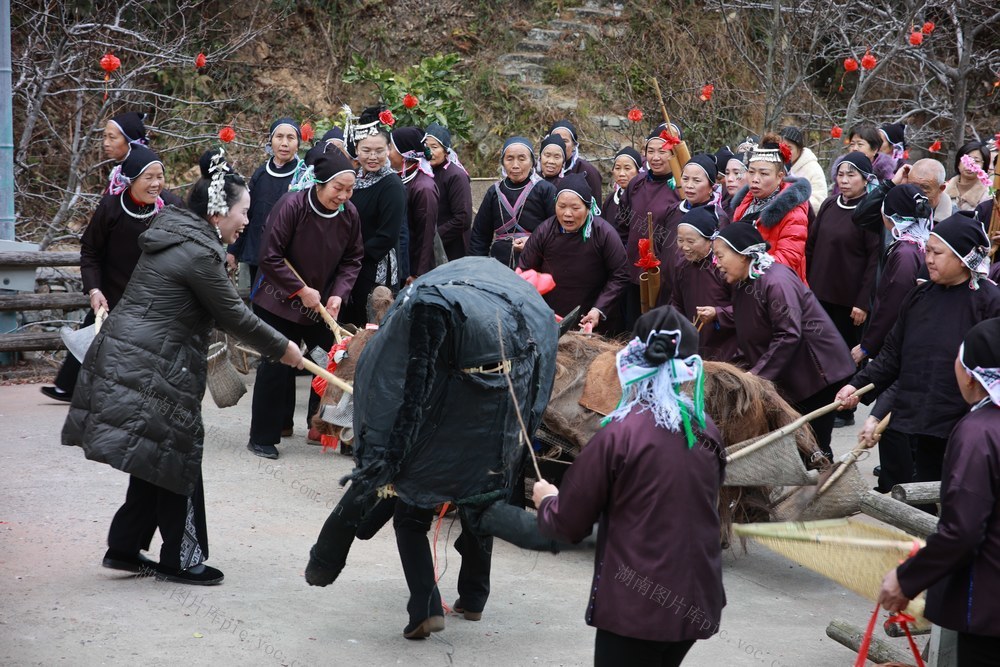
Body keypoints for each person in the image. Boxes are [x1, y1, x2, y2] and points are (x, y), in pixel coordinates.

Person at [62, 150, 304, 585]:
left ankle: (124, 547)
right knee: (179, 453)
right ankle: (182, 558)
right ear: (217, 212)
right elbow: (236, 315)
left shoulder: (181, 235)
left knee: (156, 448)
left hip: (137, 358)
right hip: (151, 365)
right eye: (243, 212)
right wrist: (284, 347)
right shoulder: (197, 253)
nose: (248, 221)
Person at [533, 306, 726, 667]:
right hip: (697, 602)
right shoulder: (706, 430)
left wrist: (548, 501)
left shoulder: (620, 433)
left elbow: (568, 524)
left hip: (638, 609)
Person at [838, 212, 1000, 493]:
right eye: (928, 251)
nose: (928, 259)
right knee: (921, 496)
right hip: (920, 419)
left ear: (963, 257)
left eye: (938, 253)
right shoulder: (918, 296)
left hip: (966, 423)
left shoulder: (990, 302)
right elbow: (891, 355)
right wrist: (855, 385)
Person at [877, 317, 1000, 665]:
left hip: (991, 610)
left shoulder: (980, 433)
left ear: (971, 373)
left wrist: (906, 579)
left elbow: (962, 531)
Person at [245, 148, 364, 460]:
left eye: (349, 189)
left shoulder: (349, 214)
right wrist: (299, 289)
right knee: (275, 366)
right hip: (278, 302)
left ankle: (337, 432)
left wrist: (338, 292)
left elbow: (353, 259)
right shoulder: (292, 205)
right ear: (320, 183)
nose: (344, 196)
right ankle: (263, 436)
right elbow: (269, 256)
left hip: (320, 306)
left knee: (336, 363)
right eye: (338, 188)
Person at [41, 146, 184, 403]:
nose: (156, 184)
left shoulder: (172, 207)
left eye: (159, 177)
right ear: (131, 179)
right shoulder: (111, 208)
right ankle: (75, 388)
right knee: (97, 339)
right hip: (114, 294)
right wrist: (94, 290)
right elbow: (91, 252)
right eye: (148, 177)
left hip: (155, 301)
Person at [714, 224, 854, 459]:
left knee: (813, 446)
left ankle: (823, 489)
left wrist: (757, 375)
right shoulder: (743, 282)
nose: (716, 263)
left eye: (720, 256)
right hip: (791, 371)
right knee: (797, 446)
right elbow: (747, 330)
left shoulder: (776, 281)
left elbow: (788, 333)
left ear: (743, 254)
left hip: (818, 373)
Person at [806, 151, 881, 426]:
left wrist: (864, 302)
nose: (845, 180)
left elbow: (875, 260)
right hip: (820, 293)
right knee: (822, 350)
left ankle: (846, 408)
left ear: (865, 179)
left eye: (852, 175)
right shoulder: (828, 204)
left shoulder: (870, 211)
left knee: (848, 353)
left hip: (850, 300)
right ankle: (824, 399)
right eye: (841, 174)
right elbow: (811, 246)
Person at [518, 174, 628, 334]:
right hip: (551, 317)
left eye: (575, 208)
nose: (567, 214)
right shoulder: (544, 231)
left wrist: (599, 309)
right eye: (561, 206)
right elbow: (524, 271)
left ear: (588, 207)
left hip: (592, 318)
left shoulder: (604, 233)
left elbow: (620, 275)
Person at [339, 106, 406, 327]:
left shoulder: (391, 184)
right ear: (356, 148)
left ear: (388, 149)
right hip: (350, 265)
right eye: (366, 150)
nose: (373, 157)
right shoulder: (353, 179)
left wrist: (352, 254)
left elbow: (387, 236)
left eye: (379, 150)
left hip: (374, 268)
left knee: (371, 325)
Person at [616, 124, 681, 327]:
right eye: (650, 151)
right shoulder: (637, 183)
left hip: (664, 274)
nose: (655, 157)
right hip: (634, 269)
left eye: (662, 152)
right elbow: (623, 223)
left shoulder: (680, 189)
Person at [227, 118, 301, 284]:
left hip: (287, 259)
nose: (284, 143)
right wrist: (233, 250)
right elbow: (246, 213)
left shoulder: (302, 177)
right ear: (271, 141)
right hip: (257, 252)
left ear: (298, 144)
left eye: (290, 138)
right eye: (279, 137)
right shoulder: (261, 173)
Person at [731, 133, 811, 283]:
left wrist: (746, 268)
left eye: (763, 173)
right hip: (746, 284)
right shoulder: (745, 202)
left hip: (777, 289)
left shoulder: (793, 211)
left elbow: (788, 258)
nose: (755, 179)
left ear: (780, 176)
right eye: (751, 171)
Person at [654, 154, 731, 306]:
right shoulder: (673, 210)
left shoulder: (717, 217)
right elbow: (660, 241)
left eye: (696, 180)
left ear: (711, 185)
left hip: (698, 290)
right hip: (668, 287)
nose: (689, 185)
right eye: (685, 178)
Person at [468, 137, 556, 268]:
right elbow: (480, 236)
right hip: (499, 266)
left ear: (532, 162)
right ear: (502, 162)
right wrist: (477, 269)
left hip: (535, 264)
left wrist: (533, 242)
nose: (515, 165)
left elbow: (556, 231)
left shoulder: (545, 190)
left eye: (522, 159)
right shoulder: (494, 192)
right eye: (509, 159)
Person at [668, 206, 738, 362]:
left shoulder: (725, 267)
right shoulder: (682, 265)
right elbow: (677, 302)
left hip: (726, 347)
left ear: (710, 240)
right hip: (694, 345)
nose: (684, 247)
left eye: (691, 241)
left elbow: (747, 309)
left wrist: (717, 313)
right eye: (680, 240)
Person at [389, 126, 440, 280]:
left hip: (415, 269)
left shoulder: (424, 188)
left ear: (404, 155)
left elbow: (425, 235)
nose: (387, 153)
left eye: (391, 147)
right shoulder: (401, 179)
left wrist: (417, 273)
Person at [423, 122, 472, 261]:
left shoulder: (455, 175)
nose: (430, 152)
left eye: (435, 147)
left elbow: (463, 218)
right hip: (431, 246)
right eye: (426, 147)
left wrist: (434, 239)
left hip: (454, 248)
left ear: (446, 151)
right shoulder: (425, 172)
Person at [830, 122, 896, 193]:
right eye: (852, 144)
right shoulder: (842, 169)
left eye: (860, 144)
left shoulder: (885, 176)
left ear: (875, 149)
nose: (855, 148)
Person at [547, 119, 602, 198]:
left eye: (565, 141)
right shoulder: (540, 170)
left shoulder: (588, 171)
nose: (560, 144)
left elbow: (596, 207)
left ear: (574, 145)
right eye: (555, 139)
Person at [780, 126, 828, 216]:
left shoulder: (813, 168)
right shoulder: (777, 165)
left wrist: (790, 204)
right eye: (782, 147)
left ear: (800, 149)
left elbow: (819, 201)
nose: (785, 152)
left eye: (790, 148)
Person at [102, 111, 149, 195]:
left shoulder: (139, 175)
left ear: (130, 141)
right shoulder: (120, 171)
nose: (106, 143)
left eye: (112, 137)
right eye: (105, 136)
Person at [602, 146, 641, 246]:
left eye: (627, 168)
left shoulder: (644, 199)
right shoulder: (610, 200)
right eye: (617, 168)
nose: (621, 174)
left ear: (638, 171)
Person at [945, 141, 992, 212]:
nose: (970, 165)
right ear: (958, 163)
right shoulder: (944, 189)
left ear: (984, 166)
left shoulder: (988, 196)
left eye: (976, 161)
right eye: (967, 160)